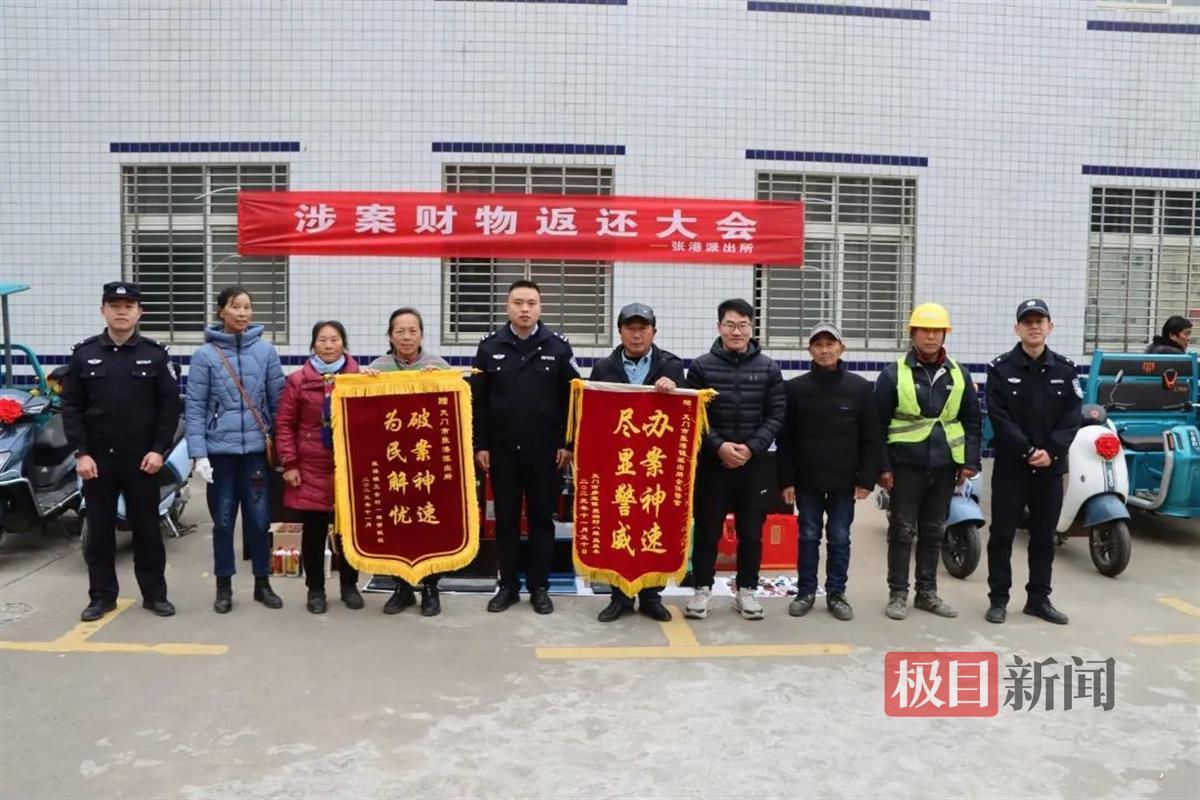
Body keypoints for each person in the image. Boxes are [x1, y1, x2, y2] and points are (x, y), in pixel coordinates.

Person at [62, 281, 180, 621]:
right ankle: (101, 597)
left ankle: (155, 595)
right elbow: (71, 407)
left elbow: (169, 408)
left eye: (129, 306)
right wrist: (81, 453)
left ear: (139, 312)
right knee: (99, 532)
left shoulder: (155, 355)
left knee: (147, 530)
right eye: (114, 306)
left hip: (142, 460)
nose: (122, 312)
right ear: (103, 310)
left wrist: (158, 450)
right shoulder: (83, 355)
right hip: (97, 461)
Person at [472, 280, 578, 615]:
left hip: (545, 453)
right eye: (518, 302)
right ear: (507, 307)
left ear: (540, 307)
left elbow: (571, 400)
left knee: (541, 521)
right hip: (502, 451)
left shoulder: (558, 347)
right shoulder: (489, 347)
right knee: (505, 520)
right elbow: (478, 402)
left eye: (531, 303)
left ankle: (539, 587)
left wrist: (568, 444)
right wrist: (481, 445)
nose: (525, 309)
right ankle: (507, 586)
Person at [875, 303, 982, 621]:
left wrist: (970, 462)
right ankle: (897, 594)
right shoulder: (894, 373)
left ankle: (927, 593)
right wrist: (883, 467)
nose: (931, 336)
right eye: (925, 330)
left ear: (945, 334)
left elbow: (972, 421)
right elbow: (876, 425)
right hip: (905, 465)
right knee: (902, 530)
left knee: (934, 531)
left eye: (937, 331)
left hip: (945, 465)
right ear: (913, 334)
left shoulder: (959, 374)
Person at [185, 286, 286, 614]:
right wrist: (198, 453)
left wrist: (283, 449)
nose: (243, 313)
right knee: (223, 522)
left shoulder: (266, 352)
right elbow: (195, 408)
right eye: (235, 307)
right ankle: (224, 586)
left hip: (256, 452)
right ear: (221, 311)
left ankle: (262, 583)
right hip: (220, 454)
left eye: (247, 307)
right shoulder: (205, 356)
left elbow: (279, 403)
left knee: (259, 521)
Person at [684, 298, 785, 621]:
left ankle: (747, 590)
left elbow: (776, 414)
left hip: (753, 467)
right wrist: (719, 447)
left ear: (752, 328)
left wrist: (751, 448)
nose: (736, 332)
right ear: (719, 327)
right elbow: (694, 415)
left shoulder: (768, 368)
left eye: (742, 325)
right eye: (730, 325)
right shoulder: (701, 367)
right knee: (707, 531)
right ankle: (702, 589)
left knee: (751, 533)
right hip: (713, 466)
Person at [776, 322, 881, 622]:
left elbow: (871, 437)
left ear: (841, 348)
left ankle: (836, 593)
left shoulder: (860, 388)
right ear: (809, 350)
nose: (824, 350)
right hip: (807, 479)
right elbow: (786, 439)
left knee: (839, 537)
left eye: (830, 344)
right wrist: (786, 480)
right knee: (808, 535)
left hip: (844, 481)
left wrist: (866, 479)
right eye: (818, 345)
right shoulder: (795, 389)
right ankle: (805, 592)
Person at [984, 299, 1080, 625]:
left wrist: (1051, 452)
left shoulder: (1065, 370)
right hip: (1012, 468)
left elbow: (1071, 418)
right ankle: (998, 599)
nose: (1034, 327)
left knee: (1043, 537)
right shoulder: (1000, 369)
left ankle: (1039, 600)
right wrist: (1027, 451)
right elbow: (998, 417)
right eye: (1028, 322)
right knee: (1001, 536)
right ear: (1017, 329)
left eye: (1040, 321)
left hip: (1050, 470)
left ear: (1050, 327)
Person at [588, 303, 685, 623]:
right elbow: (593, 414)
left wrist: (674, 389)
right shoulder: (604, 368)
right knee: (620, 523)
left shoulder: (671, 365)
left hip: (656, 464)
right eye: (631, 328)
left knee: (655, 522)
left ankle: (651, 596)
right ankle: (620, 597)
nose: (637, 334)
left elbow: (683, 412)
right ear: (620, 332)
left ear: (654, 332)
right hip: (619, 463)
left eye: (643, 328)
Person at [367, 307, 452, 617]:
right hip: (393, 463)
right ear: (390, 336)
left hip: (427, 463)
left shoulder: (437, 366)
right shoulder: (377, 368)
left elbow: (456, 409)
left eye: (412, 330)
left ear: (422, 335)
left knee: (430, 525)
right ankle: (402, 587)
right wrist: (365, 386)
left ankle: (430, 587)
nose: (406, 337)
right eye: (399, 331)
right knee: (397, 524)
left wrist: (441, 382)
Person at [276, 320, 363, 614]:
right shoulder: (297, 381)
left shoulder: (358, 378)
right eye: (322, 340)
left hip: (347, 466)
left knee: (349, 531)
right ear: (313, 344)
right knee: (313, 533)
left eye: (334, 339)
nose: (328, 345)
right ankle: (315, 589)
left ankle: (350, 586)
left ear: (344, 343)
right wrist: (289, 463)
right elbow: (284, 425)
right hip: (310, 465)